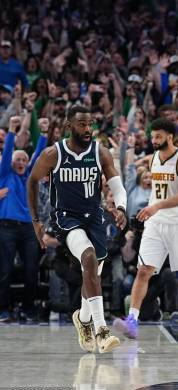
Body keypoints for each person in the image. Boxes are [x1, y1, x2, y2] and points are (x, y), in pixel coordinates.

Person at [27, 105, 127, 353]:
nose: (88, 129)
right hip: (65, 218)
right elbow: (32, 181)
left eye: (91, 124)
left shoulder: (100, 152)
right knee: (89, 258)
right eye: (82, 124)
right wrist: (36, 221)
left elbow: (117, 184)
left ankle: (82, 319)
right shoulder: (54, 153)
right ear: (69, 126)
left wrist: (122, 208)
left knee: (92, 271)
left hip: (94, 217)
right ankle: (101, 331)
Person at [113, 118, 178, 340]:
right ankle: (132, 320)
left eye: (158, 136)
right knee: (144, 270)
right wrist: (125, 144)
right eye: (152, 136)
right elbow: (131, 166)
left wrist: (155, 206)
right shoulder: (154, 157)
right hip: (156, 223)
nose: (153, 140)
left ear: (170, 137)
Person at [0, 117, 48, 321]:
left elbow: (39, 157)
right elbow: (8, 152)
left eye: (24, 160)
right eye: (17, 159)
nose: (21, 162)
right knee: (4, 271)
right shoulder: (4, 174)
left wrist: (44, 134)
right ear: (11, 162)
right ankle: (3, 310)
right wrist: (11, 130)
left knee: (31, 270)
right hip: (6, 228)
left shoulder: (30, 176)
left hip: (29, 229)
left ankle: (29, 309)